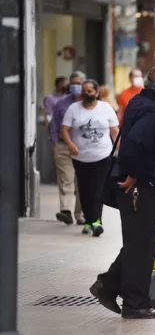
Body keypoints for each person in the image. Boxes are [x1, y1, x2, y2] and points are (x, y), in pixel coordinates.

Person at [90, 65, 155, 319]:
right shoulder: (153, 112)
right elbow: (133, 145)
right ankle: (135, 303)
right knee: (141, 247)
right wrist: (133, 175)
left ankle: (108, 285)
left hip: (139, 185)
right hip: (140, 188)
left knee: (138, 244)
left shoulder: (140, 101)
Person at [61, 79, 119, 236]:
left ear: (97, 92)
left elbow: (114, 131)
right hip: (80, 157)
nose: (87, 94)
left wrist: (119, 150)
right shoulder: (74, 109)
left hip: (102, 155)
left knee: (98, 190)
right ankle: (88, 221)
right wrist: (70, 144)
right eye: (84, 91)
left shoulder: (106, 108)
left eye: (90, 91)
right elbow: (65, 129)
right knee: (84, 190)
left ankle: (96, 222)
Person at [51, 72, 86, 226]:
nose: (75, 86)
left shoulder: (89, 102)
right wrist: (54, 142)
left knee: (82, 182)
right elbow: (54, 124)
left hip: (83, 148)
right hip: (63, 146)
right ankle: (66, 210)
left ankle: (81, 214)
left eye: (78, 83)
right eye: (73, 83)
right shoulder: (62, 102)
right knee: (67, 178)